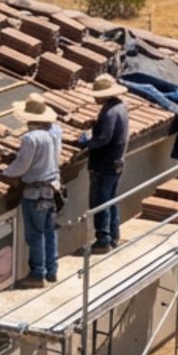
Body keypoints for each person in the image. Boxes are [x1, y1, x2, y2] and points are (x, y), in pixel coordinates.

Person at [0, 94, 63, 287]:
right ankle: (51, 270)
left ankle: (37, 274)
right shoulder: (54, 132)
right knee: (49, 231)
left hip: (35, 192)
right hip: (51, 189)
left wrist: (5, 173)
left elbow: (22, 166)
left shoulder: (31, 138)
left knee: (35, 234)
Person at [78, 74, 130, 253]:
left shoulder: (109, 112)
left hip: (104, 164)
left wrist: (86, 144)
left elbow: (103, 138)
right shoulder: (120, 107)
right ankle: (113, 236)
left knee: (100, 202)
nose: (94, 98)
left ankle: (103, 240)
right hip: (116, 163)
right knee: (111, 200)